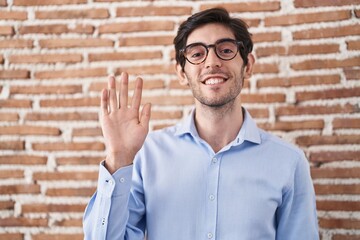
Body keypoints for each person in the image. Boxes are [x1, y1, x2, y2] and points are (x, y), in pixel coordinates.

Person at [83, 7, 319, 240]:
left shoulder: (289, 161)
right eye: (197, 54)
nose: (212, 62)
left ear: (248, 65)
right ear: (182, 73)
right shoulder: (147, 154)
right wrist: (118, 158)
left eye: (225, 50)